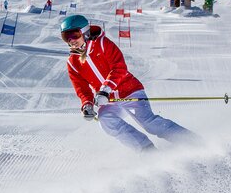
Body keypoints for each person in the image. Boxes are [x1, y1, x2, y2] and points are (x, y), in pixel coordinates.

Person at [60, 14, 196, 151]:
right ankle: (146, 150)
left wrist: (105, 90)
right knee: (105, 119)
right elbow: (81, 88)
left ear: (85, 32)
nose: (71, 40)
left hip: (130, 91)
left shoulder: (102, 44)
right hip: (109, 100)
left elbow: (119, 67)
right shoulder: (73, 63)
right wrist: (87, 105)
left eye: (75, 34)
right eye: (66, 37)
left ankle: (191, 141)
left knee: (148, 123)